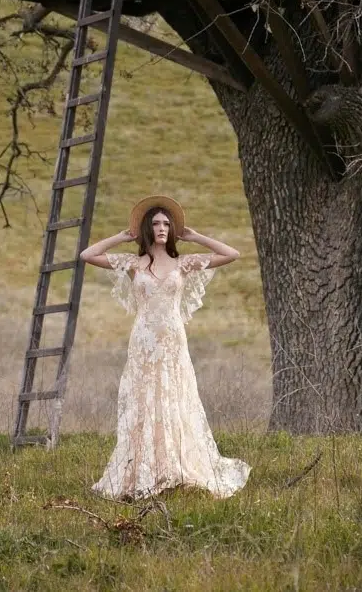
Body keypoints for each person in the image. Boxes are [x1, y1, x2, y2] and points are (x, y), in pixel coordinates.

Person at [80, 195, 251, 500]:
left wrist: (195, 236)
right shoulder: (134, 263)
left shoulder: (183, 263)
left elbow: (232, 254)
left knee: (175, 396)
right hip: (143, 342)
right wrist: (120, 237)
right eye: (156, 223)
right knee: (143, 401)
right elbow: (87, 255)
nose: (161, 228)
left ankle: (175, 467)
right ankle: (142, 470)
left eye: (166, 224)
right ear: (147, 228)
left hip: (173, 340)